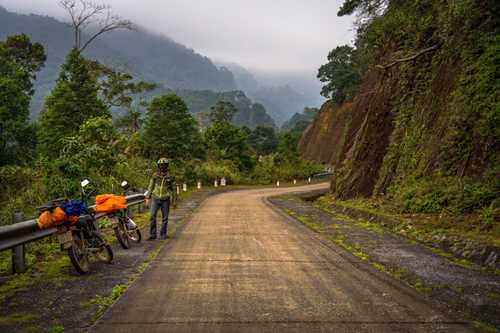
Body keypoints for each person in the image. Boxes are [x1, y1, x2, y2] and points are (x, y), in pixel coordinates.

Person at [145, 158, 176, 240]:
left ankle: (163, 234)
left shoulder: (171, 177)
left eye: (164, 165)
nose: (162, 167)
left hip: (166, 199)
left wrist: (174, 201)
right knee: (152, 216)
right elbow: (150, 186)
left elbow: (174, 189)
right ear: (159, 166)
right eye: (161, 165)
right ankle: (152, 235)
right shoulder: (155, 175)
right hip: (155, 198)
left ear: (167, 166)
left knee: (165, 218)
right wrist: (148, 197)